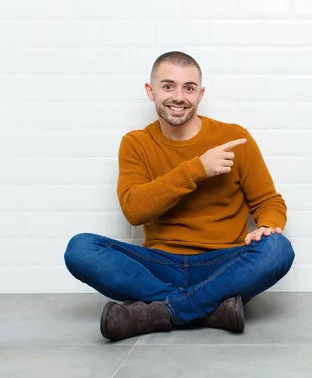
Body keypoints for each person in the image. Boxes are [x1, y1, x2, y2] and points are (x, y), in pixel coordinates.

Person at [64, 51, 295, 341]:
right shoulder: (136, 143)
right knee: (80, 249)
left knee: (278, 249)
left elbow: (269, 202)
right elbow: (135, 210)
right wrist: (197, 169)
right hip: (159, 265)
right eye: (168, 86)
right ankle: (209, 309)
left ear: (200, 94)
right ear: (151, 91)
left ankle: (163, 310)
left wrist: (266, 224)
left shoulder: (234, 138)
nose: (178, 96)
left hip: (222, 265)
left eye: (188, 88)